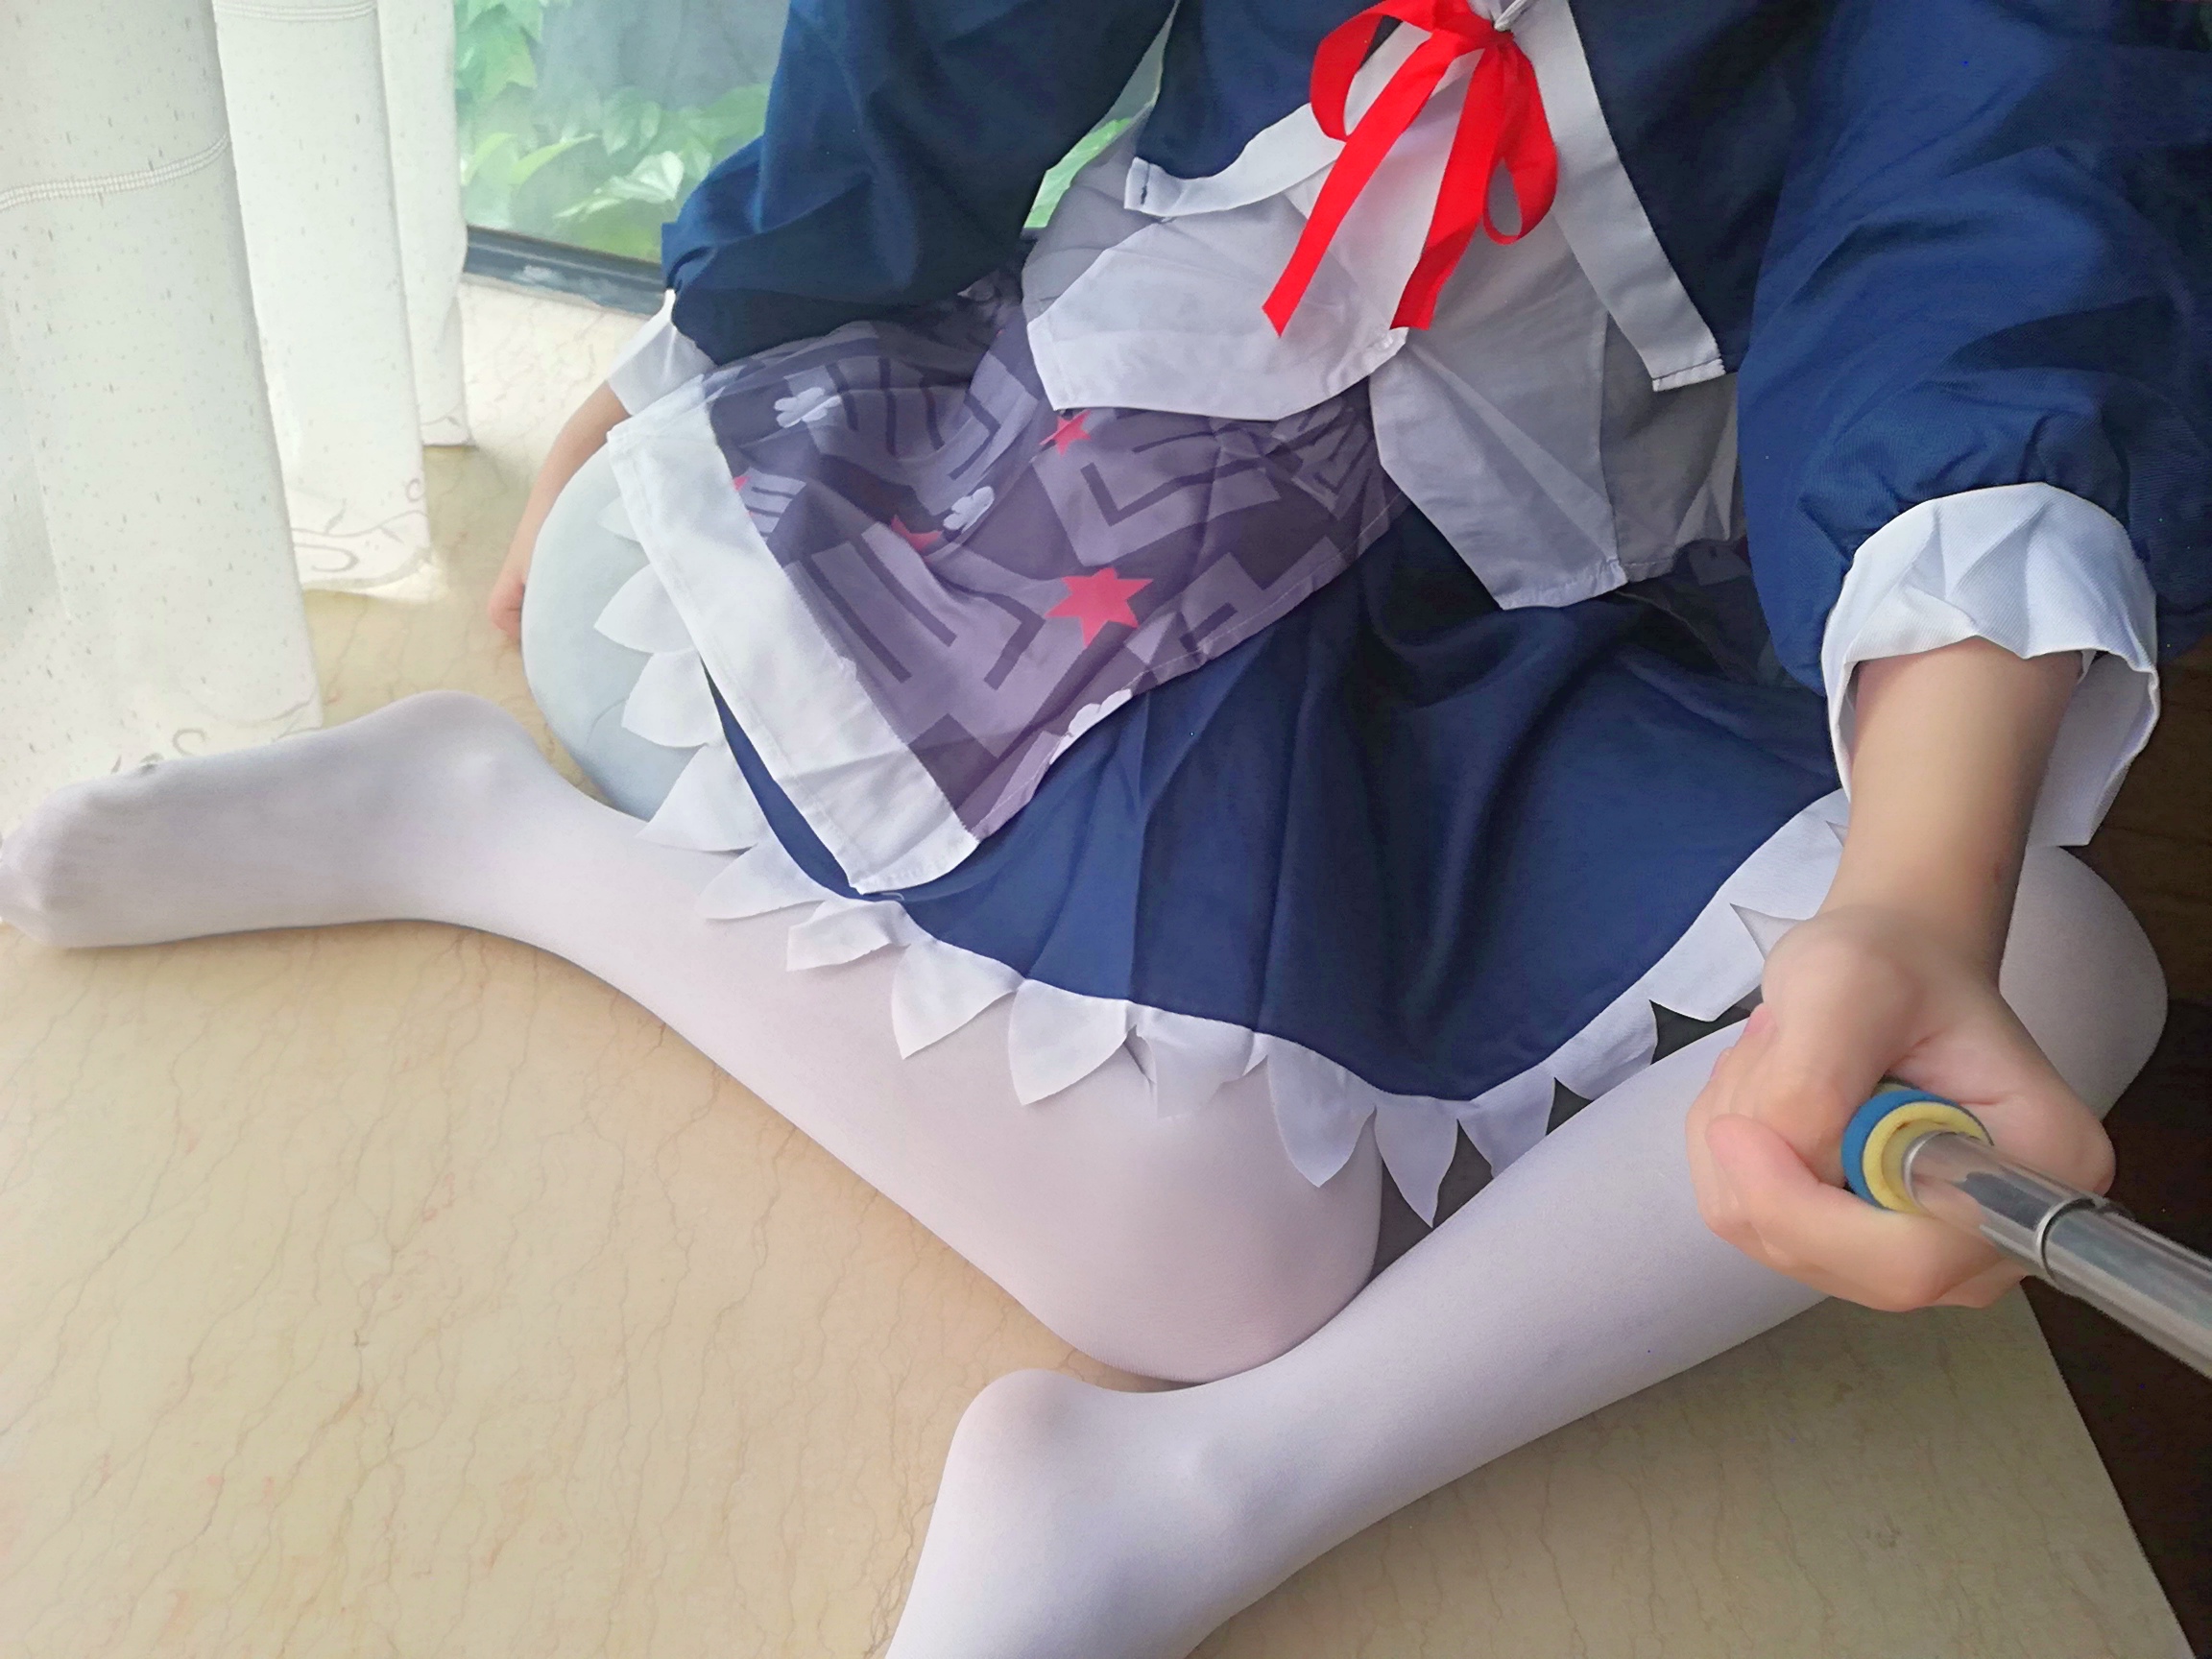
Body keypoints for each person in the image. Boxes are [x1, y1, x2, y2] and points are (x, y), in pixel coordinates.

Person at [4, 1, 2203, 1652]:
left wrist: (1918, 882)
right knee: (1205, 1241)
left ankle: (1214, 1488)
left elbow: (1997, 176)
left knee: (2052, 970)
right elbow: (952, 35)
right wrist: (734, 311)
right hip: (1148, 426)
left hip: (1586, 568)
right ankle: (496, 839)